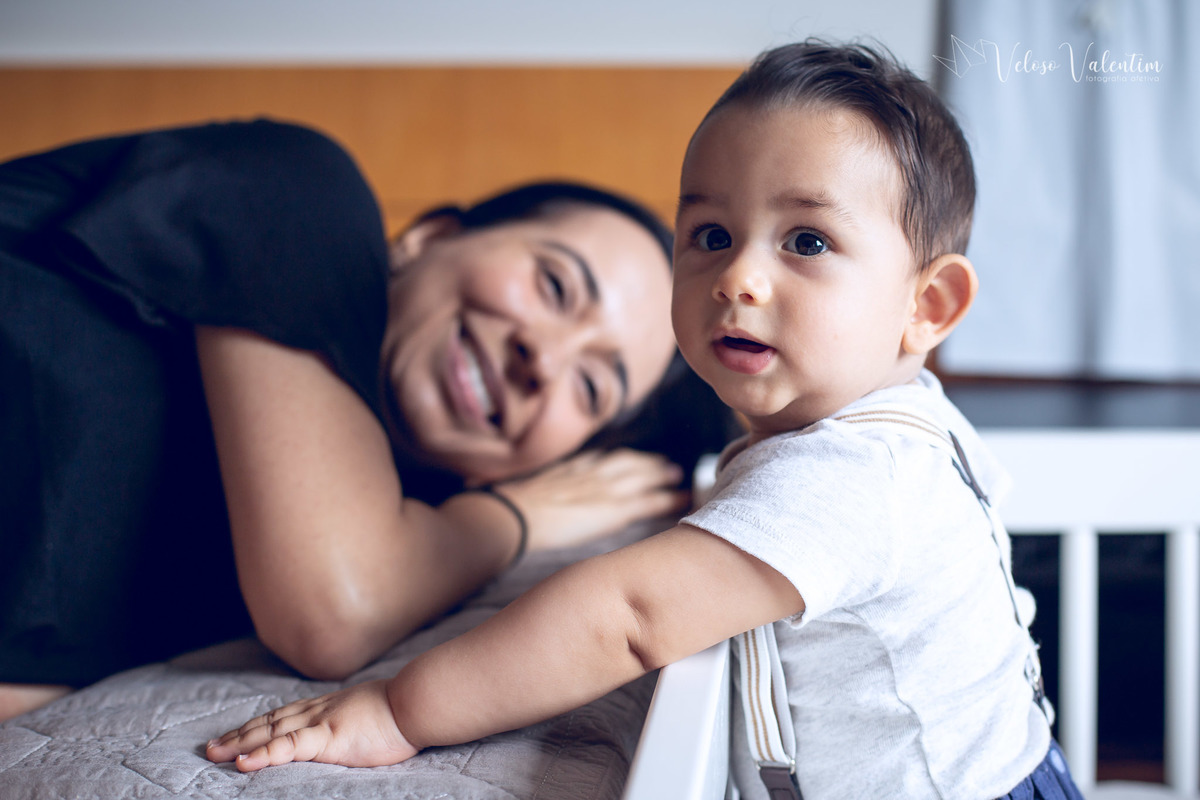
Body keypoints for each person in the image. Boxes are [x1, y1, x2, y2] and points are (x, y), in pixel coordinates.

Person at [206, 41, 1084, 799]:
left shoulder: (853, 476)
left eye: (806, 242)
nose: (738, 277)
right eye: (709, 234)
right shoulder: (904, 430)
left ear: (927, 305)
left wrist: (401, 708)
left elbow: (626, 613)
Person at [0, 118, 735, 721]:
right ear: (429, 237)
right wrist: (513, 520)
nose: (541, 359)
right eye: (553, 283)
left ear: (554, 458)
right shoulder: (304, 189)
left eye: (591, 387)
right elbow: (337, 611)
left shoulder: (272, 558)